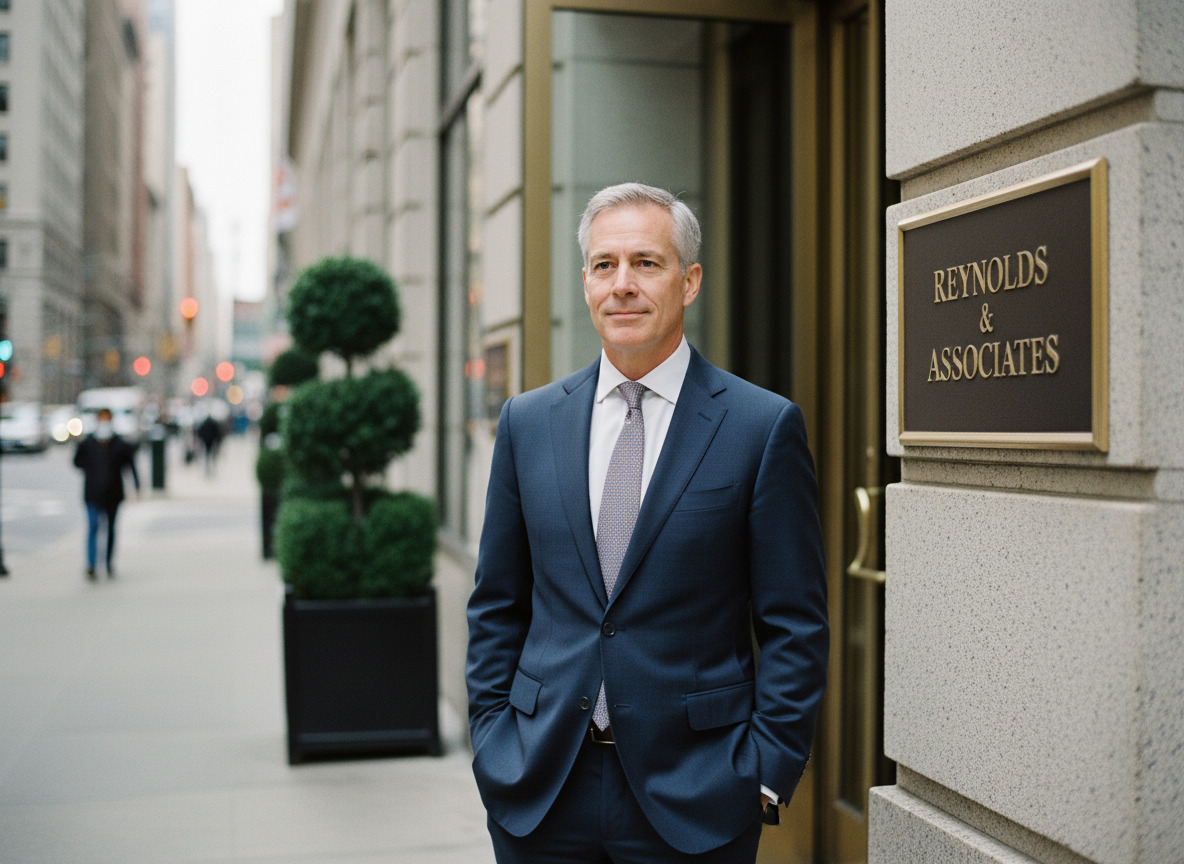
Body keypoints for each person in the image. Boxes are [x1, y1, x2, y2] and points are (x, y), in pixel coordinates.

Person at [466, 182, 829, 863]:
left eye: (646, 263)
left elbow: (794, 623)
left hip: (697, 796)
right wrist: (492, 742)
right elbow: (497, 604)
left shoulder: (760, 427)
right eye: (605, 265)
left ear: (689, 282)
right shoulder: (529, 423)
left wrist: (765, 772)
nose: (622, 284)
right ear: (585, 283)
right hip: (541, 788)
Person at [74, 407, 140, 580]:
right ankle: (91, 564)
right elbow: (77, 461)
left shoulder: (120, 443)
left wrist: (136, 487)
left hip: (113, 493)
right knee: (93, 526)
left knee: (110, 529)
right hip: (93, 493)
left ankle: (108, 562)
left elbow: (129, 465)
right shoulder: (88, 443)